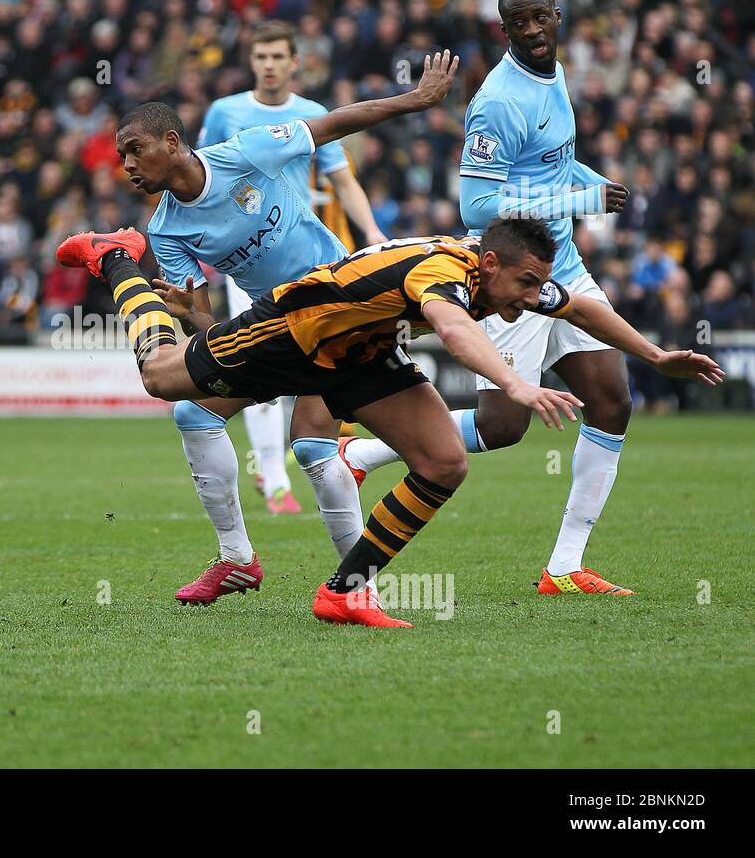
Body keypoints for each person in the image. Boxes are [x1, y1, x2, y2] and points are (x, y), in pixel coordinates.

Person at [55, 218, 723, 627]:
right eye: (521, 285)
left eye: (533, 286)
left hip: (358, 355)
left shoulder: (505, 273)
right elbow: (456, 331)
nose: (529, 299)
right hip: (289, 332)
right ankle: (116, 255)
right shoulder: (445, 275)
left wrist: (656, 355)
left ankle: (344, 592)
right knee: (161, 376)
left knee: (442, 461)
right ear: (490, 266)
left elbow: (574, 307)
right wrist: (518, 383)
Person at [100, 51, 458, 606]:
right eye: (121, 155)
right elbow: (207, 322)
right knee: (195, 410)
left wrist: (415, 100)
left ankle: (357, 589)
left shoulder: (245, 152)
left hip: (341, 304)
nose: (126, 164)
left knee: (316, 448)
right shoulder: (166, 229)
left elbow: (334, 122)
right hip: (276, 327)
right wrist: (185, 311)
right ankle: (238, 560)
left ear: (172, 142)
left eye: (134, 149)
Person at [339, 0, 645, 596]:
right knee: (502, 427)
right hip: (512, 276)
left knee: (612, 399)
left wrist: (594, 183)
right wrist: (581, 198)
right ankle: (365, 456)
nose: (532, 31)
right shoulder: (499, 101)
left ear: (558, 17)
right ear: (503, 30)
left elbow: (554, 163)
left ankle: (564, 566)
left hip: (563, 262)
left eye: (540, 19)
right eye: (518, 23)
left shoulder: (554, 76)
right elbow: (477, 206)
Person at [194, 20, 384, 515]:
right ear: (251, 61)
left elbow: (343, 181)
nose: (270, 65)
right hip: (249, 261)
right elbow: (197, 173)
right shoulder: (224, 113)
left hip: (305, 255)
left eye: (279, 56)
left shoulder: (313, 115)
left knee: (321, 358)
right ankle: (275, 477)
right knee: (258, 363)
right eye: (262, 57)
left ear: (295, 61)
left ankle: (325, 450)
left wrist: (372, 233)